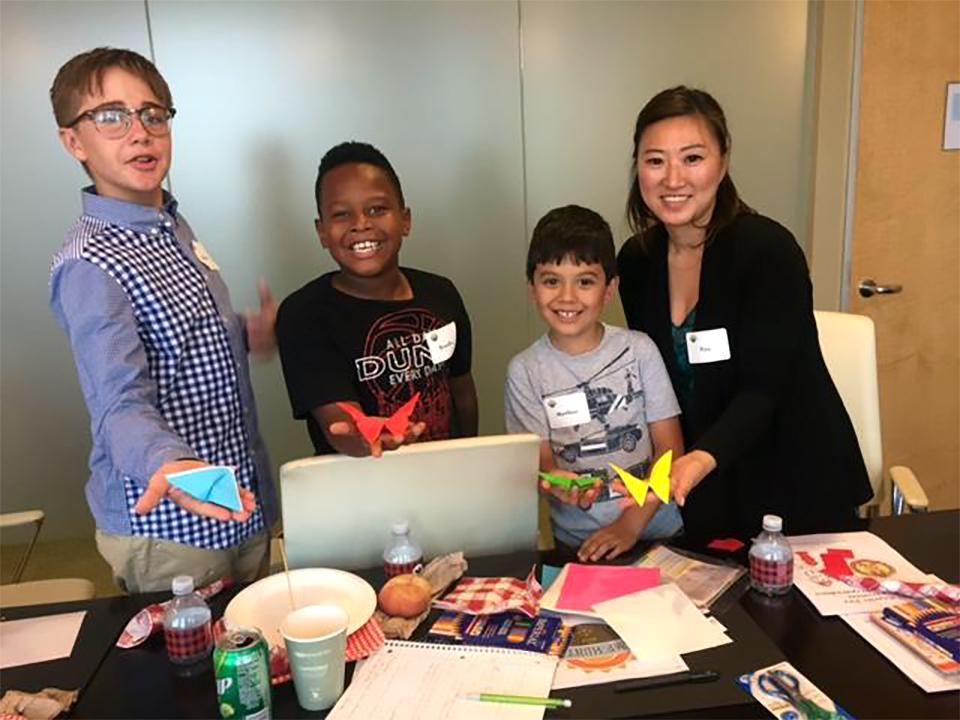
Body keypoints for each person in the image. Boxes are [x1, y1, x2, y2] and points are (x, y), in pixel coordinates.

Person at [48, 48, 278, 593]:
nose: (140, 132)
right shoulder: (89, 263)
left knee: (251, 660)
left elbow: (178, 338)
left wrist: (244, 333)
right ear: (73, 141)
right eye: (111, 116)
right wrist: (167, 461)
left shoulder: (170, 224)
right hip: (169, 526)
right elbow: (117, 403)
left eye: (153, 114)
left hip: (233, 494)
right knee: (185, 675)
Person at [617, 86, 872, 539]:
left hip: (795, 483)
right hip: (703, 493)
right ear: (638, 166)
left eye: (692, 158)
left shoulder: (767, 250)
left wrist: (697, 459)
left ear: (723, 161)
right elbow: (658, 383)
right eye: (655, 160)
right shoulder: (636, 261)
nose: (673, 178)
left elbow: (763, 390)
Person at [505, 205, 684, 561]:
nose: (567, 297)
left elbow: (670, 451)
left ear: (609, 289)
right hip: (580, 545)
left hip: (658, 533)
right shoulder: (525, 370)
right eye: (551, 280)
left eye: (585, 281)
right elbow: (541, 465)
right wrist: (558, 484)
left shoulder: (639, 350)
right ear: (532, 287)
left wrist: (631, 524)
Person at [276, 141, 478, 457]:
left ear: (405, 219)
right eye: (342, 214)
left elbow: (461, 391)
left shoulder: (441, 293)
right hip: (361, 493)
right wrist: (367, 436)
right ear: (322, 232)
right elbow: (339, 423)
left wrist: (468, 460)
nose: (361, 224)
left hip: (446, 482)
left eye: (377, 209)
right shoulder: (304, 314)